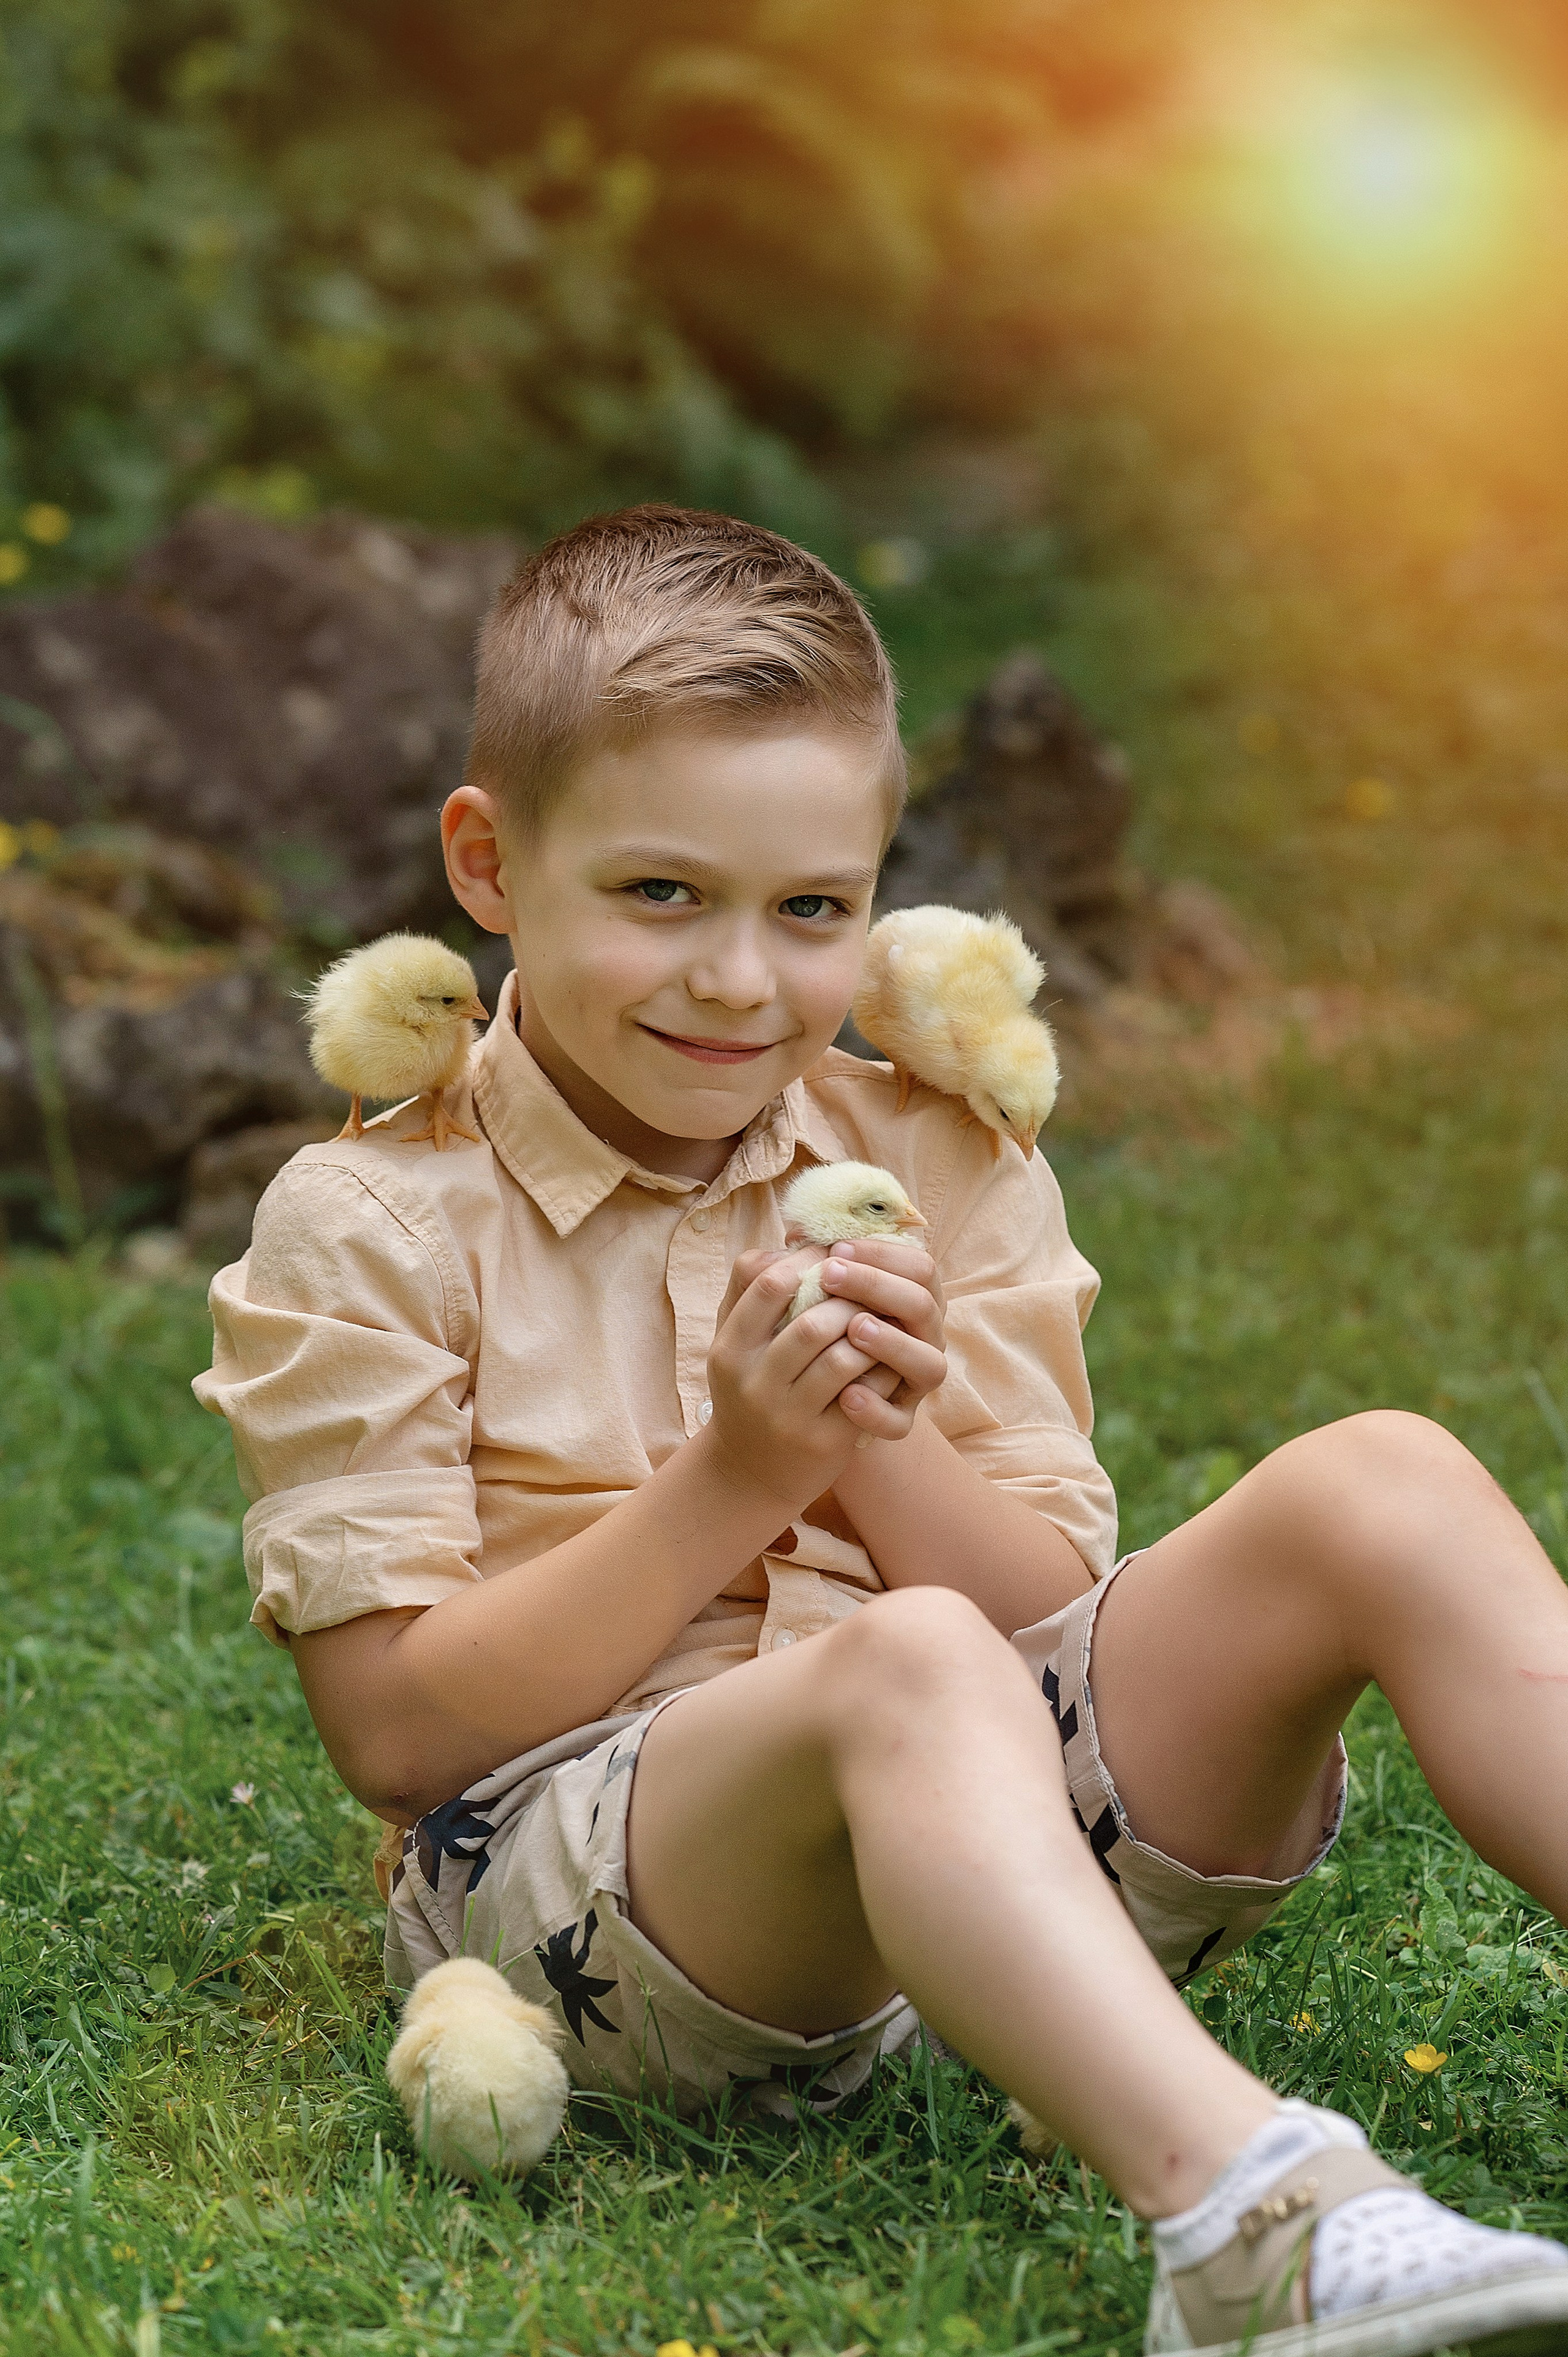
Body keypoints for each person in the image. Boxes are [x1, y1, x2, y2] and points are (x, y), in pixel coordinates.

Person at [197, 505, 1568, 2357]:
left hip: (999, 1833)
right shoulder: (372, 1221)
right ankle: (1253, 2228)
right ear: (491, 865)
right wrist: (738, 1478)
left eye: (810, 910)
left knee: (1384, 1479)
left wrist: (868, 1441)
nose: (739, 980)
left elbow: (1049, 1607)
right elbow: (396, 1732)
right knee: (912, 1661)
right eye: (660, 893)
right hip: (591, 1887)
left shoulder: (930, 1148)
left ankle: (1054, 2003)